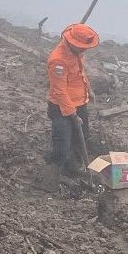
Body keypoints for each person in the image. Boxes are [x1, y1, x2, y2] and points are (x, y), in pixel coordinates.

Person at [46, 23, 100, 174]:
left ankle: (75, 166)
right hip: (61, 107)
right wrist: (73, 114)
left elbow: (80, 74)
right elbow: (60, 91)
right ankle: (58, 169)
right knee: (63, 142)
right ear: (72, 42)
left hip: (80, 102)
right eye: (82, 47)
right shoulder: (58, 61)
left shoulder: (77, 52)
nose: (84, 50)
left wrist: (89, 89)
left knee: (82, 135)